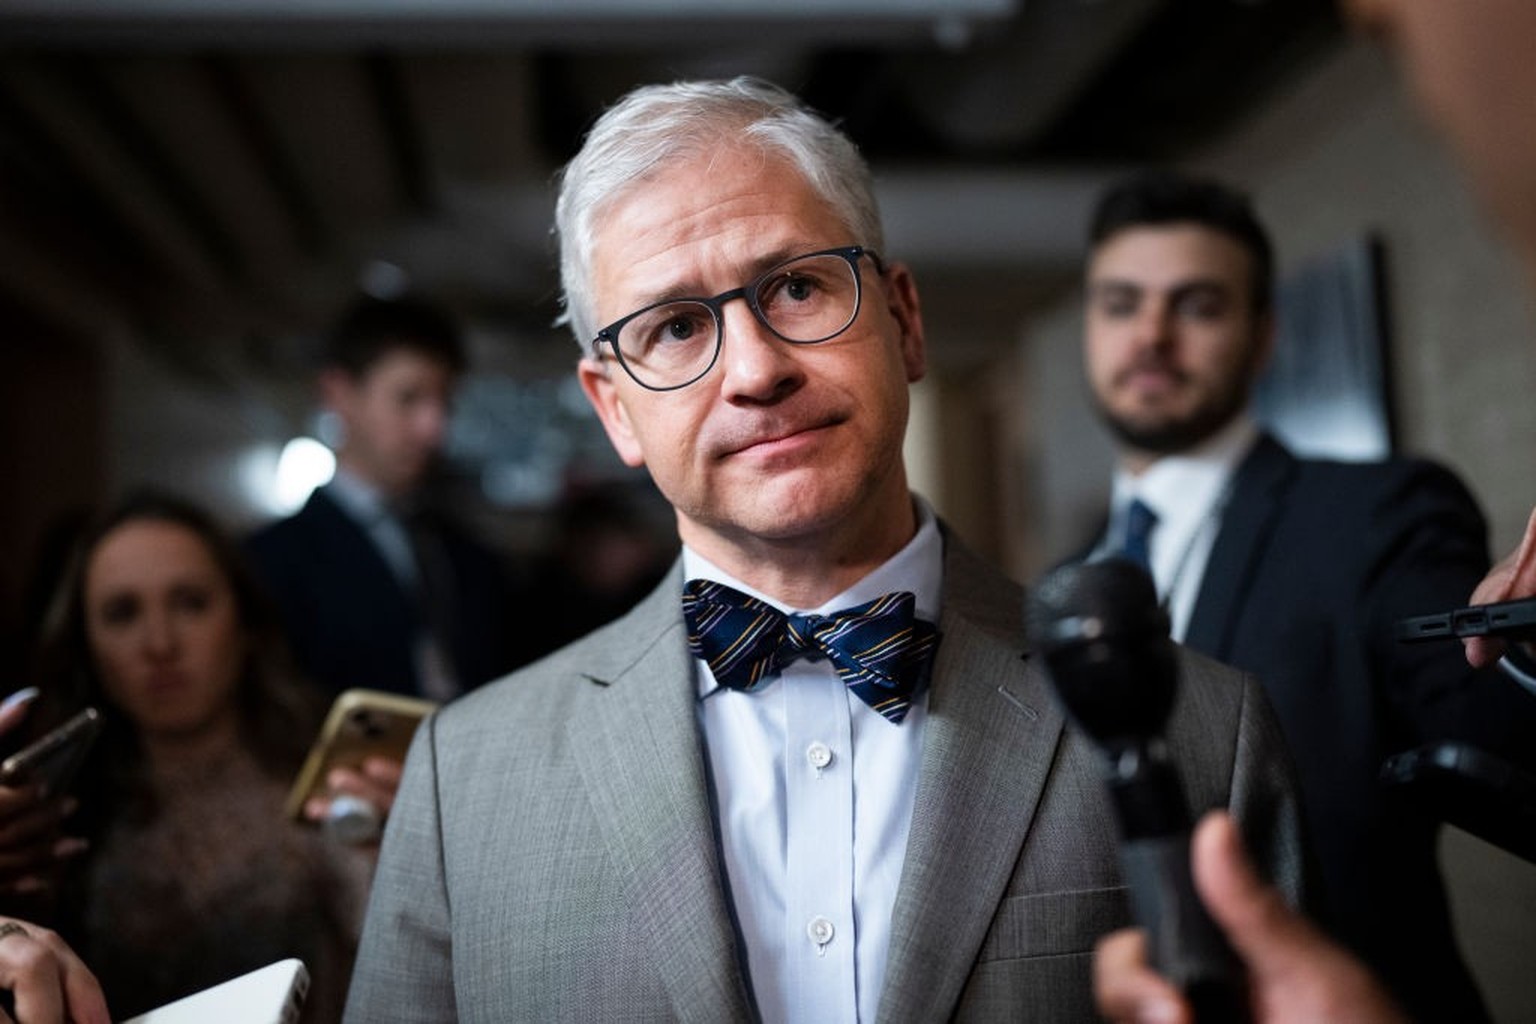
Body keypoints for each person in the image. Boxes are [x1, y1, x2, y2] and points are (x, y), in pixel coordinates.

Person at [342, 77, 1310, 1023]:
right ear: (614, 408)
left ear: (904, 321)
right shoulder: (460, 782)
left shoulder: (1202, 735)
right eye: (677, 328)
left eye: (797, 286)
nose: (757, 370)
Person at [1073, 167, 1536, 1021]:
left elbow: (1503, 737)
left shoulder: (1377, 517)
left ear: (1263, 337)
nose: (1151, 335)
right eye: (1120, 303)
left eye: (1199, 306)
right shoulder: (1076, 576)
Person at [10, 491, 371, 1021]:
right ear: (86, 644)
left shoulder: (328, 783)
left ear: (243, 623)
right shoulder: (52, 818)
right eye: (122, 612)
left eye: (190, 603)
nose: (159, 643)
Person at [246, 293, 529, 703]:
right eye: (408, 398)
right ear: (339, 394)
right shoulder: (271, 563)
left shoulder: (466, 553)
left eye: (444, 402)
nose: (433, 427)